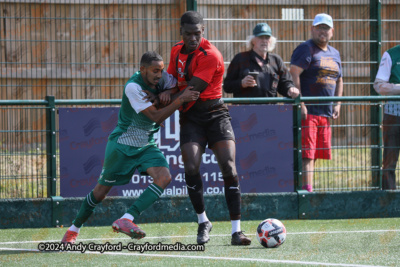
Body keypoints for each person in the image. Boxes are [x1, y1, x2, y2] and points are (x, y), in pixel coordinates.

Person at [61, 51, 200, 244]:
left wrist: (167, 93)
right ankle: (72, 230)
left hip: (146, 145)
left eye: (161, 70)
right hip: (122, 146)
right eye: (154, 71)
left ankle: (127, 218)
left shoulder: (163, 78)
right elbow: (155, 117)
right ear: (142, 69)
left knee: (164, 177)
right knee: (100, 193)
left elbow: (178, 86)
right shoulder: (133, 87)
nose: (159, 75)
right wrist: (180, 100)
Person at [163, 11, 251, 246]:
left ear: (204, 31)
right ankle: (203, 221)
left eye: (197, 33)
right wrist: (164, 90)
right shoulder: (175, 50)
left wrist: (166, 96)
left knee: (229, 167)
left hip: (216, 115)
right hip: (191, 117)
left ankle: (237, 231)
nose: (193, 38)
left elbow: (192, 91)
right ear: (181, 32)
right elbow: (171, 81)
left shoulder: (211, 55)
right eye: (188, 33)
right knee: (190, 165)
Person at [289, 13, 343, 192]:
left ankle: (307, 185)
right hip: (309, 111)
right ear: (312, 29)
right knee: (307, 153)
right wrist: (301, 102)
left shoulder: (335, 53)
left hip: (326, 112)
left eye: (326, 28)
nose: (323, 31)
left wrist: (338, 103)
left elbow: (340, 79)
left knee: (317, 152)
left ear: (332, 31)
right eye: (319, 27)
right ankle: (307, 190)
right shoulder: (306, 49)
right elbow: (294, 72)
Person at [223, 22, 299, 99]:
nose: (264, 41)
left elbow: (285, 83)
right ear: (253, 40)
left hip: (271, 108)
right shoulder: (240, 58)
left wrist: (290, 89)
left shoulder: (276, 60)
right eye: (261, 37)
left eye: (267, 37)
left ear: (271, 40)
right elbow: (227, 86)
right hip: (245, 109)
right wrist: (241, 83)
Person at [374, 44, 400, 190]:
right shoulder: (391, 55)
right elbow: (379, 86)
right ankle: (389, 203)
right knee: (390, 160)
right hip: (394, 114)